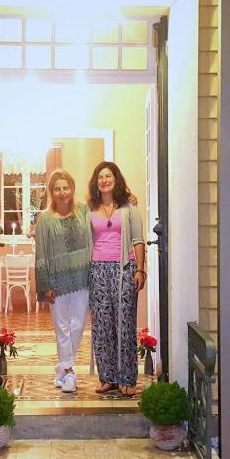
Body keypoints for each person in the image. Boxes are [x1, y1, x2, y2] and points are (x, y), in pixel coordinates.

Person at [87, 162, 146, 397]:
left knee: (125, 324)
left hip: (124, 269)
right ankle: (108, 378)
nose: (104, 180)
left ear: (116, 179)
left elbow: (138, 240)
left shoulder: (129, 207)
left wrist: (140, 270)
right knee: (102, 326)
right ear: (96, 182)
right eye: (100, 177)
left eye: (108, 176)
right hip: (97, 270)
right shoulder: (89, 209)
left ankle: (127, 378)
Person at [34, 170, 92, 393]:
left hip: (82, 278)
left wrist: (129, 201)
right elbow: (41, 253)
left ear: (72, 189)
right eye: (57, 188)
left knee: (78, 324)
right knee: (61, 326)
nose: (62, 192)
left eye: (65, 187)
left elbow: (107, 213)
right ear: (51, 192)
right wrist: (44, 284)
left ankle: (63, 366)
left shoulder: (84, 211)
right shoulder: (45, 219)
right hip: (56, 281)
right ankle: (68, 372)